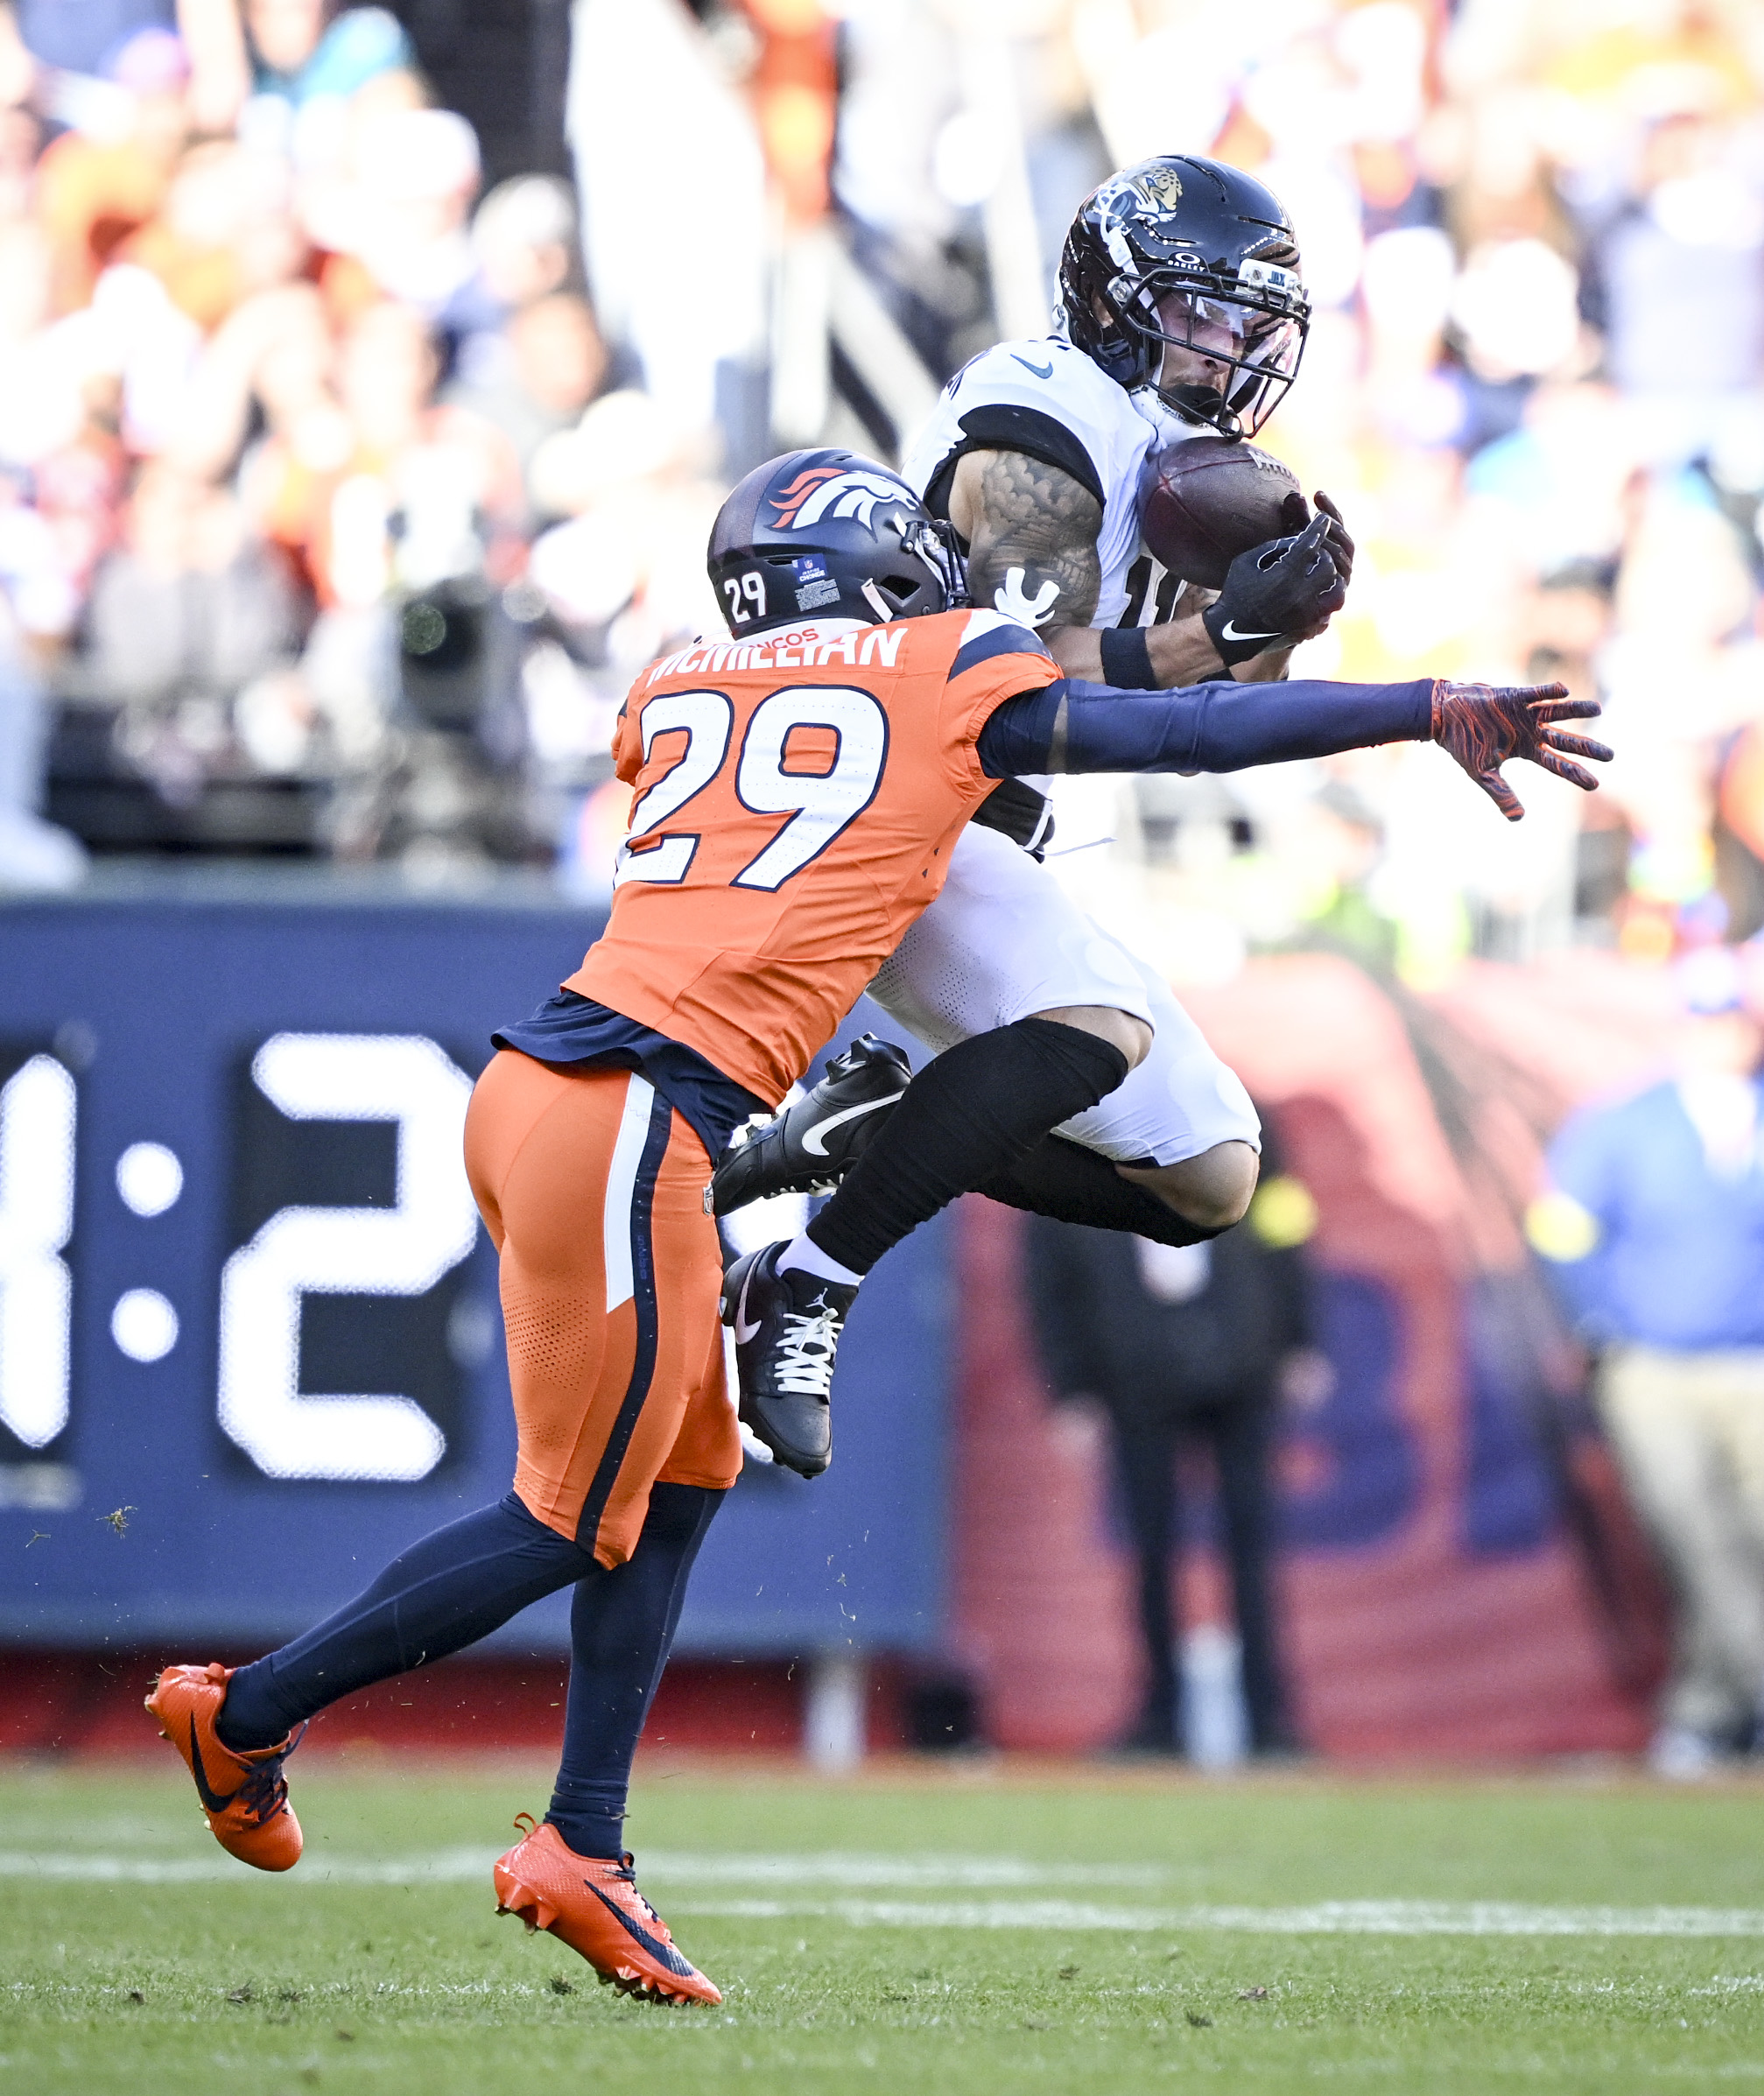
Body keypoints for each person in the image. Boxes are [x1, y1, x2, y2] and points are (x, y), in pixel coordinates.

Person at [145, 449, 1602, 2009]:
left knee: (688, 1479)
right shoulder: (934, 660)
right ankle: (248, 1709)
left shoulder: (674, 681)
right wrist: (1412, 704)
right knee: (577, 1515)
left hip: (553, 1092)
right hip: (640, 1114)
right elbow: (1165, 734)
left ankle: (586, 1840)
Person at [1532, 947, 1764, 1776]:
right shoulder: (1625, 1122)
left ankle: (1711, 1708)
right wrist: (1600, 1321)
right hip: (1656, 1364)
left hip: (1754, 1360)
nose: (1721, 1038)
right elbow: (1560, 1227)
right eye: (1706, 1021)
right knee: (1692, 1536)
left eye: (1731, 1020)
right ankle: (1730, 1705)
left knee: (1749, 1537)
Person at [1023, 1141, 1317, 1758]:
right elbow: (1046, 1263)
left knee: (1250, 1549)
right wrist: (1071, 1384)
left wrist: (1299, 1336)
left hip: (1239, 1351)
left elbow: (1287, 1226)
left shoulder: (1243, 1115)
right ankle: (1161, 1720)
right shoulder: (1067, 1128)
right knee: (1151, 1553)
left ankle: (1270, 1721)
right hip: (1132, 1366)